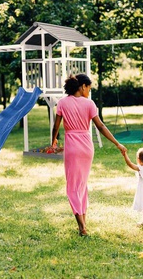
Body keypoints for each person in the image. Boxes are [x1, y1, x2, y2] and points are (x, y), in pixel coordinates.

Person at [51, 74, 126, 236]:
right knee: (82, 185)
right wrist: (117, 143)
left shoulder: (62, 103)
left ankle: (81, 226)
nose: (89, 92)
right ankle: (83, 221)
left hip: (72, 148)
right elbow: (100, 126)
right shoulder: (89, 104)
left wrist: (54, 140)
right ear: (82, 86)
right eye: (89, 88)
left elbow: (56, 126)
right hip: (87, 147)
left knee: (72, 186)